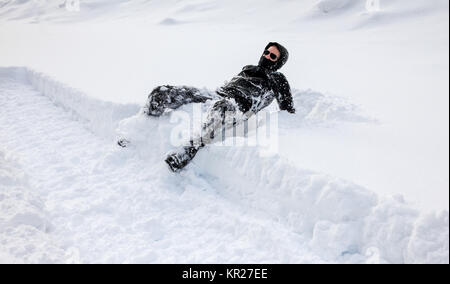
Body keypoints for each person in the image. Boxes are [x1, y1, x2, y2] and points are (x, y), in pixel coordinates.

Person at [143, 42, 295, 172]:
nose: (267, 56)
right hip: (215, 95)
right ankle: (141, 129)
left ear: (279, 62)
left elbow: (288, 108)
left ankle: (189, 149)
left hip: (236, 106)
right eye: (266, 52)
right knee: (161, 93)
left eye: (272, 56)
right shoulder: (248, 68)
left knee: (221, 108)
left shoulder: (278, 79)